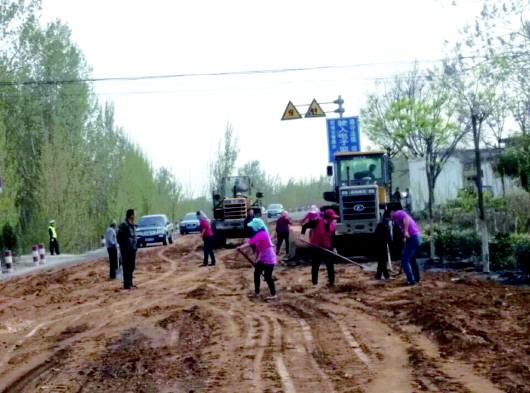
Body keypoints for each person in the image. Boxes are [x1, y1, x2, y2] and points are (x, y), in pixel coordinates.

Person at [237, 218, 277, 300]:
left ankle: (273, 294)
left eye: (253, 226)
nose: (252, 227)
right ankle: (257, 292)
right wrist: (256, 260)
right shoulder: (259, 234)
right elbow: (258, 250)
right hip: (262, 259)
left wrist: (241, 247)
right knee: (256, 274)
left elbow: (251, 241)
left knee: (268, 277)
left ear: (257, 226)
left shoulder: (262, 234)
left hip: (269, 259)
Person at [304, 209, 339, 287]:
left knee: (330, 264)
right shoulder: (317, 222)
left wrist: (334, 248)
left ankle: (331, 282)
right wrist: (303, 235)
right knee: (315, 265)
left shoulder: (332, 225)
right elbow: (305, 226)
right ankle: (315, 283)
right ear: (327, 218)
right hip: (316, 246)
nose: (333, 219)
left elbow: (333, 238)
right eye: (332, 218)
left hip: (327, 246)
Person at [390, 207, 422, 285]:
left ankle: (411, 280)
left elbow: (406, 218)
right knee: (411, 259)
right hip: (415, 238)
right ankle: (415, 278)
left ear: (392, 212)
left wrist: (406, 231)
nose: (390, 217)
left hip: (413, 238)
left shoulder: (399, 213)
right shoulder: (396, 220)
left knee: (405, 260)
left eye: (390, 215)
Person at [117, 209, 138, 290]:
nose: (135, 216)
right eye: (134, 214)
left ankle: (130, 283)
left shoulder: (132, 225)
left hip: (132, 249)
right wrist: (124, 246)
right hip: (126, 249)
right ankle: (127, 284)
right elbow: (119, 237)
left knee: (132, 266)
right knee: (126, 267)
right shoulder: (124, 225)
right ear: (131, 215)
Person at [374, 210, 392, 280]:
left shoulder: (384, 223)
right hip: (381, 244)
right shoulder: (382, 224)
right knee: (383, 260)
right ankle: (384, 275)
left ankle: (379, 275)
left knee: (382, 260)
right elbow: (380, 235)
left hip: (382, 244)